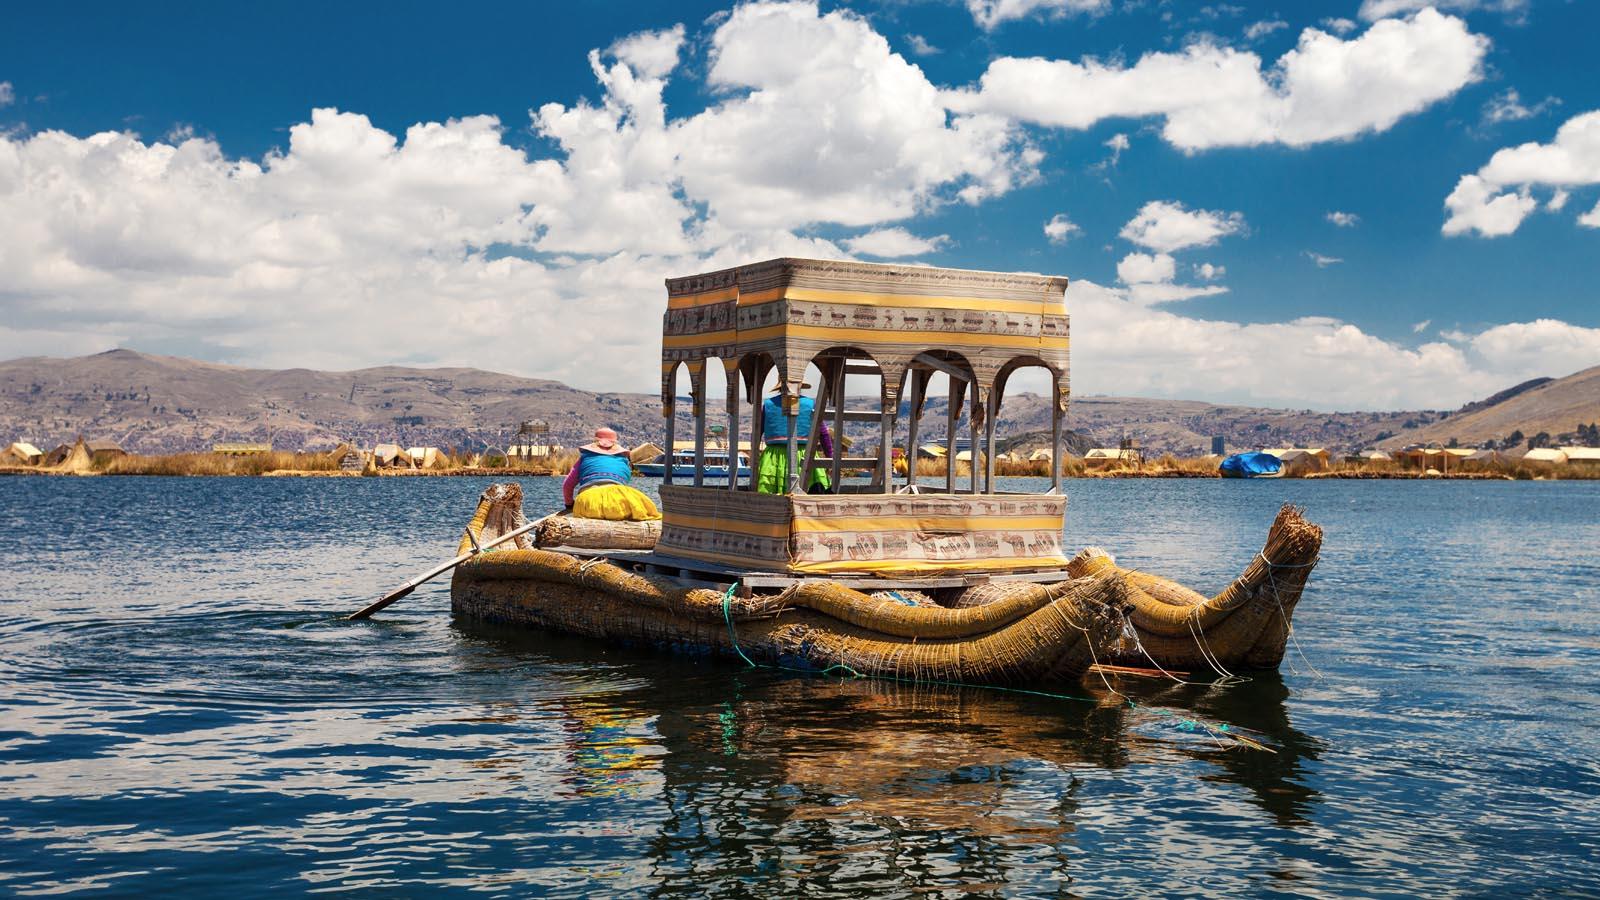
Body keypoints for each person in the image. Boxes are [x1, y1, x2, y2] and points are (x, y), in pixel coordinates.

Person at [562, 428, 661, 520]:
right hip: (620, 499)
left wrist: (569, 505)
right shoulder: (623, 461)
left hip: (589, 501)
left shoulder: (584, 458)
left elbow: (567, 485)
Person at [757, 384, 834, 494]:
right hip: (804, 456)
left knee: (771, 495)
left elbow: (757, 433)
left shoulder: (768, 405)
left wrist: (754, 460)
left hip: (773, 458)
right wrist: (830, 459)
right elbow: (823, 434)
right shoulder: (810, 404)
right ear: (799, 386)